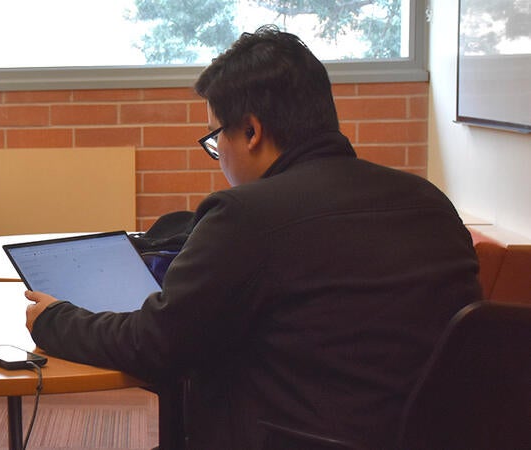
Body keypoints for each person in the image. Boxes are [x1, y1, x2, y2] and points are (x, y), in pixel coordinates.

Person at [25, 25, 481, 449]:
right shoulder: (429, 202)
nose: (218, 153)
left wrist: (54, 319)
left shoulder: (246, 216)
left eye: (215, 137)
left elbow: (155, 343)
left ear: (250, 130)